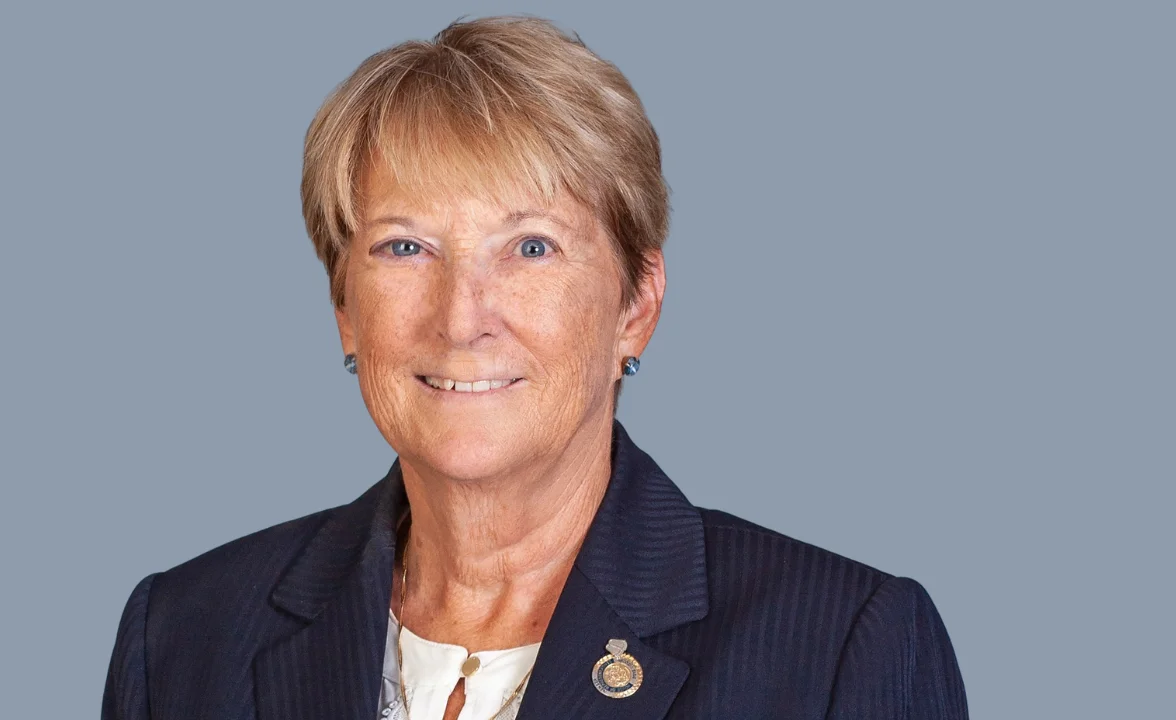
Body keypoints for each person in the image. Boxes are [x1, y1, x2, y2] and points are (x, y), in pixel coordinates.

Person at [102, 15, 968, 720]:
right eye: (405, 247)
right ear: (344, 309)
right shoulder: (183, 638)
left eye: (530, 247)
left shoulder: (838, 651)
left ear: (636, 306)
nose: (461, 316)